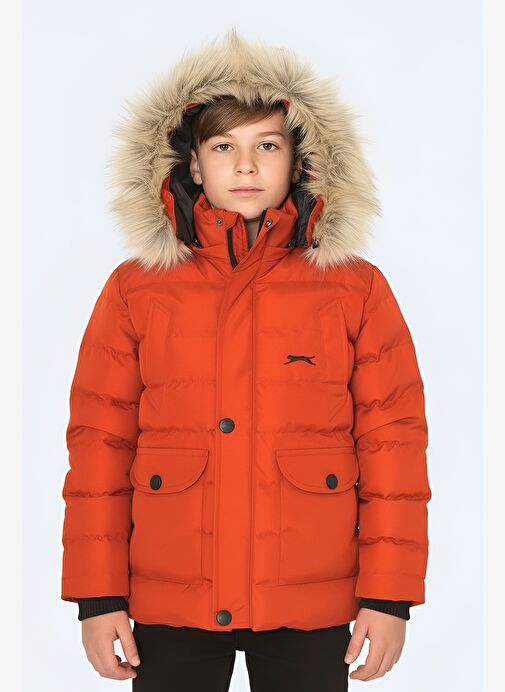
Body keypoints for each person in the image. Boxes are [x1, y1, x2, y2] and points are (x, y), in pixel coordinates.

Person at [60, 29, 432, 691]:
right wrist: (97, 596)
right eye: (223, 147)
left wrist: (389, 595)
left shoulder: (353, 288)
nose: (246, 167)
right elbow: (100, 444)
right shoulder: (137, 288)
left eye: (267, 145)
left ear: (301, 160)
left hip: (309, 596)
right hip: (171, 594)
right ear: (192, 164)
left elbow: (392, 443)